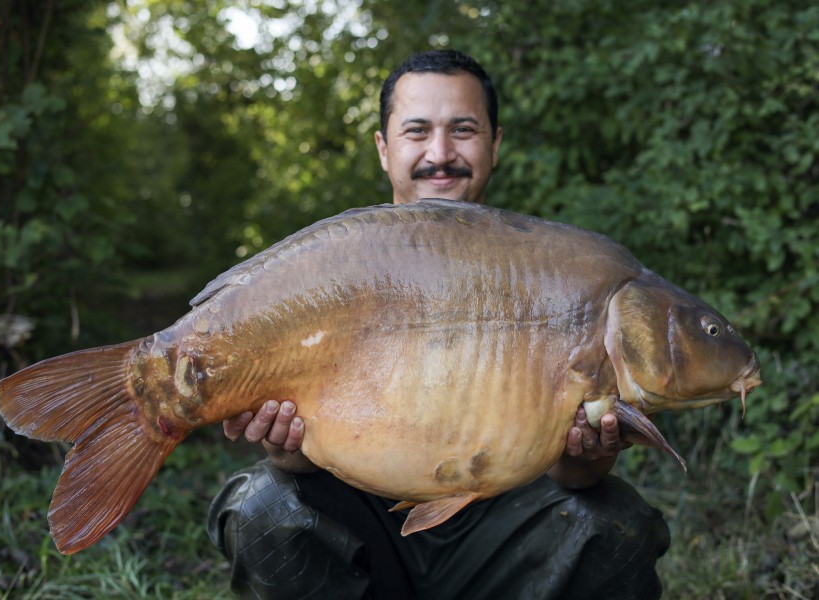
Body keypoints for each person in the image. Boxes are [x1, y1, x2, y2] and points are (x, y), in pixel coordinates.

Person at [207, 49, 670, 599]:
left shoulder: (553, 272)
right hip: (367, 525)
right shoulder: (337, 269)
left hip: (500, 531)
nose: (441, 153)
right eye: (417, 131)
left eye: (464, 129)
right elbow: (299, 460)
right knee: (263, 505)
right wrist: (286, 446)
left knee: (616, 523)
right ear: (384, 148)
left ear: (495, 144)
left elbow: (574, 480)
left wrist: (589, 453)